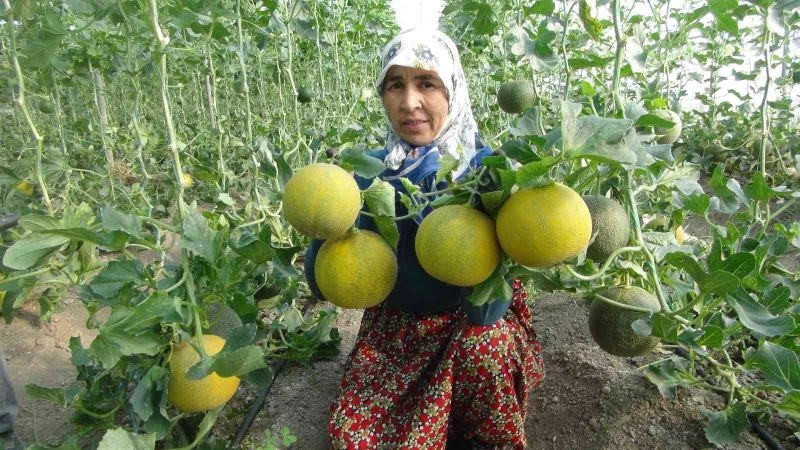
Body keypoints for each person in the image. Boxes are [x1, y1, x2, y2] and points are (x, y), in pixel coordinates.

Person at [304, 27, 543, 450]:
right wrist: (321, 220)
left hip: (464, 323)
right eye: (395, 85)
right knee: (352, 439)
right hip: (397, 327)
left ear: (452, 90)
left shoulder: (488, 173)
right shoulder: (364, 171)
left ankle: (479, 431)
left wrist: (479, 223)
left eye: (426, 83)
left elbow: (485, 313)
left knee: (485, 344)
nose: (409, 102)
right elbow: (320, 281)